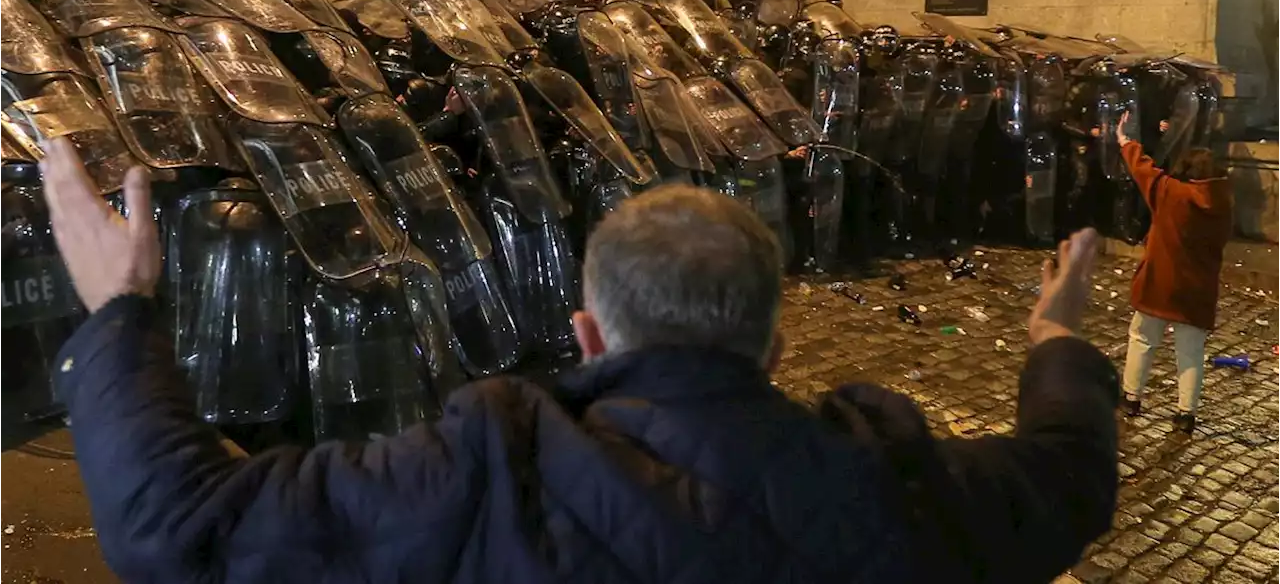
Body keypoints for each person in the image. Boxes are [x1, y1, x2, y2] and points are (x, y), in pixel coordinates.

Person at [41, 135, 1118, 584]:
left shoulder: (479, 468)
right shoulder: (902, 479)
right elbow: (1069, 470)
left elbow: (182, 527)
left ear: (588, 332)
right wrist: (1051, 335)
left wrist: (121, 311)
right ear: (774, 344)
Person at [1115, 113, 1232, 434]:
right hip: (1198, 289)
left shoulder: (1171, 194)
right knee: (1191, 352)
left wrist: (1125, 140)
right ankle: (1185, 414)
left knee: (1142, 338)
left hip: (1160, 283)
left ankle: (1131, 397)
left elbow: (1144, 171)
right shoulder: (1223, 202)